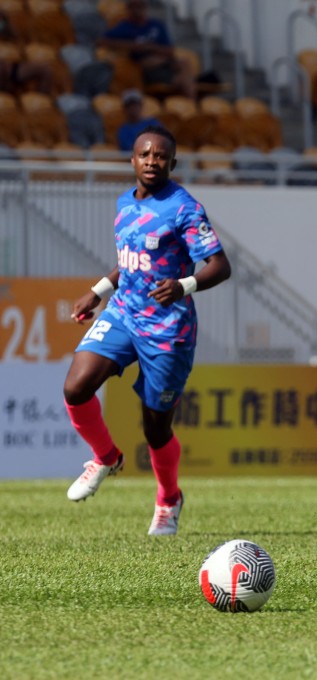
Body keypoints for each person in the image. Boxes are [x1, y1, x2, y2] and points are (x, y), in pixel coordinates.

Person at [64, 124, 231, 536]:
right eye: (145, 154)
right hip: (123, 313)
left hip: (167, 329)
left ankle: (169, 499)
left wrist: (183, 285)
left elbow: (219, 266)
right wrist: (97, 291)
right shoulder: (125, 203)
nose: (152, 161)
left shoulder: (184, 208)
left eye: (160, 156)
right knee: (76, 387)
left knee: (156, 428)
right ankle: (105, 457)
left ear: (172, 163)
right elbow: (131, 260)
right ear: (133, 160)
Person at [99, 0, 196, 100]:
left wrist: (150, 47)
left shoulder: (157, 25)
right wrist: (133, 46)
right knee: (184, 78)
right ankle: (192, 102)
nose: (137, 10)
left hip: (165, 63)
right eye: (133, 6)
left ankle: (190, 101)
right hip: (147, 71)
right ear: (128, 9)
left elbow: (170, 50)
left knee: (184, 65)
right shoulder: (125, 27)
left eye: (140, 6)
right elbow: (102, 41)